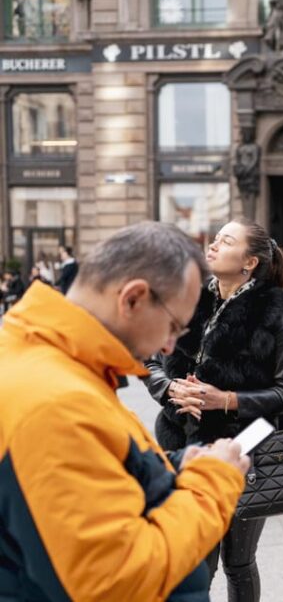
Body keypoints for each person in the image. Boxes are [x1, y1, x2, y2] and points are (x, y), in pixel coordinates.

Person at [0, 222, 248, 601]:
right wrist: (215, 479)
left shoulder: (50, 361)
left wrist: (175, 467)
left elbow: (96, 470)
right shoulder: (53, 402)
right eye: (173, 326)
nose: (168, 348)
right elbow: (116, 582)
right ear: (132, 299)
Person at [143, 218, 283, 602]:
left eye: (225, 241)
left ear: (249, 262)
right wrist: (168, 389)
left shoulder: (272, 314)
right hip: (178, 443)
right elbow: (148, 357)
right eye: (214, 239)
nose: (212, 246)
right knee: (195, 558)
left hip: (243, 448)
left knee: (238, 561)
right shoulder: (187, 296)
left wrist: (225, 399)